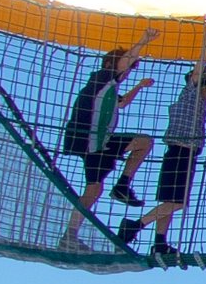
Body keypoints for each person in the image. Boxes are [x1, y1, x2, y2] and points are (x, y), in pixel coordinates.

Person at [60, 29, 162, 245]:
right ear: (111, 66)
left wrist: (139, 86)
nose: (125, 75)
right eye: (125, 71)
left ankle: (70, 234)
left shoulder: (108, 89)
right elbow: (122, 64)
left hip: (99, 143)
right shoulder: (102, 77)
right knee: (143, 143)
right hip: (90, 141)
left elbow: (123, 103)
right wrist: (143, 41)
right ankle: (121, 186)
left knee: (95, 188)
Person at [118, 63, 206, 258]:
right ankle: (135, 226)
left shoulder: (198, 103)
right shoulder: (190, 96)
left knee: (169, 202)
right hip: (181, 153)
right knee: (178, 202)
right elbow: (195, 76)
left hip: (180, 153)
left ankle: (160, 242)